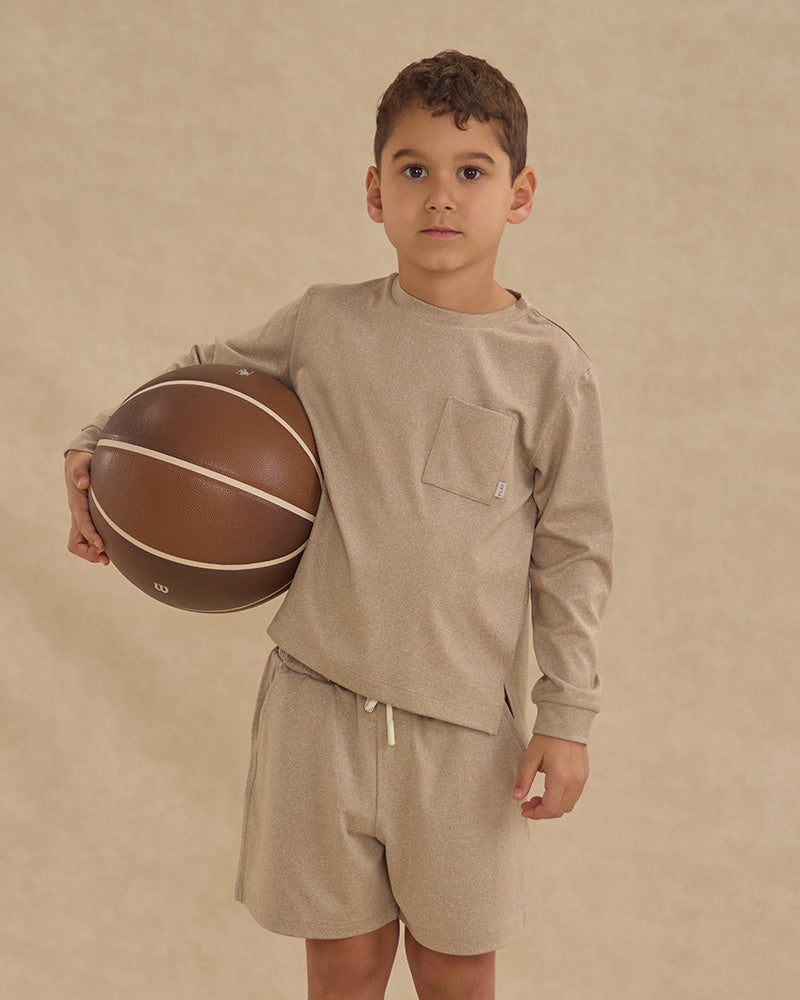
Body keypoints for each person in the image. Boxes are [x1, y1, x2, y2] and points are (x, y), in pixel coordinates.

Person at [65, 51, 612, 1000]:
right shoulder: (324, 325)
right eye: (414, 169)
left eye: (471, 171)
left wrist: (567, 716)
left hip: (460, 734)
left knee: (455, 973)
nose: (441, 195)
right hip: (317, 710)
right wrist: (95, 451)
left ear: (519, 195)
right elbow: (195, 378)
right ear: (374, 192)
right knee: (344, 970)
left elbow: (575, 550)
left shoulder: (547, 369)